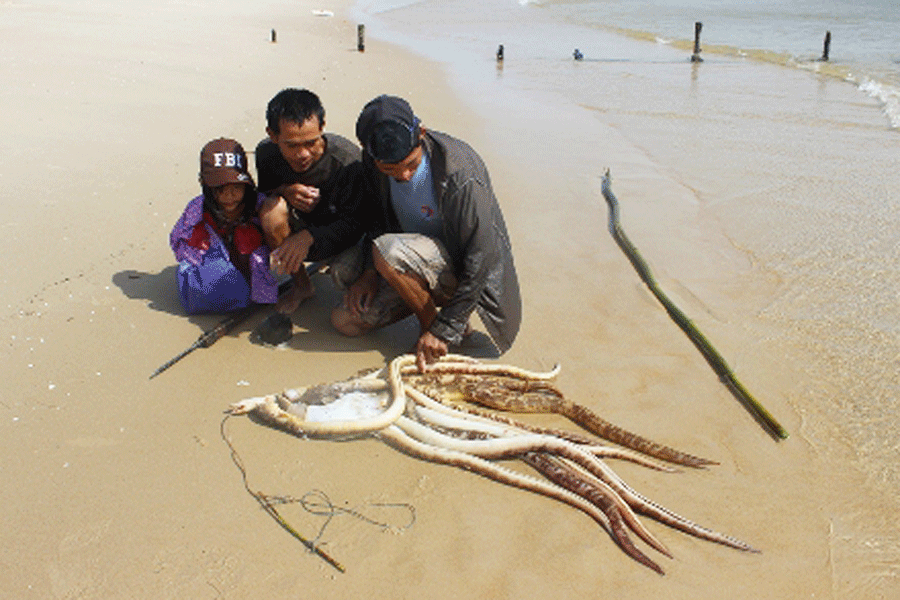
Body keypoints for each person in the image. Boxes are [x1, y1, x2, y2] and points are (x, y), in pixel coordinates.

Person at [331, 95, 521, 371]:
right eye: (390, 170)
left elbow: (481, 256)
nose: (404, 176)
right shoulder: (372, 162)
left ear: (421, 133)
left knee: (386, 251)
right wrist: (369, 275)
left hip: (458, 269)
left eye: (411, 164)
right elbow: (376, 216)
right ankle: (424, 309)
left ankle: (435, 330)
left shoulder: (460, 173)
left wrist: (445, 328)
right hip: (410, 258)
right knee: (345, 321)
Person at [255, 88, 366, 313]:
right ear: (273, 136)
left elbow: (359, 222)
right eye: (292, 145)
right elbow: (262, 193)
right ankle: (302, 285)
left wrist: (308, 237)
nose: (303, 154)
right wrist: (284, 191)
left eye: (311, 143)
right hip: (301, 225)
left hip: (345, 236)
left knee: (344, 275)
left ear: (322, 127)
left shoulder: (348, 162)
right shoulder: (266, 154)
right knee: (270, 211)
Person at [170, 138, 277, 314]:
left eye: (236, 187)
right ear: (207, 187)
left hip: (249, 260)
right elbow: (178, 240)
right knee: (211, 289)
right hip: (214, 258)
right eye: (220, 188)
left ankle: (250, 287)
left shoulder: (258, 204)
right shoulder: (197, 208)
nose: (229, 195)